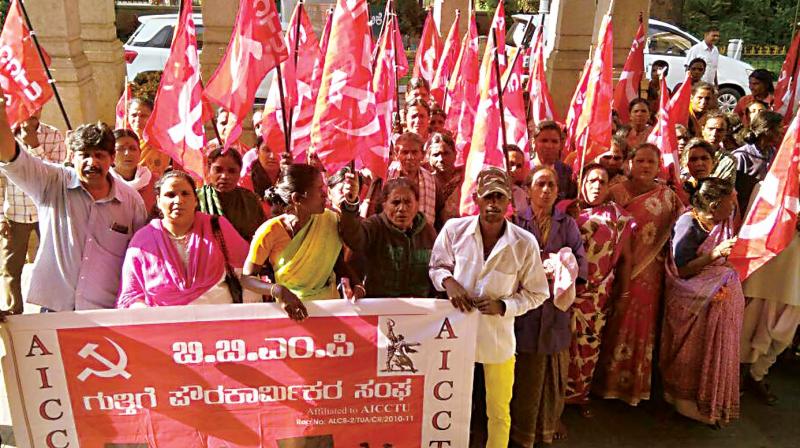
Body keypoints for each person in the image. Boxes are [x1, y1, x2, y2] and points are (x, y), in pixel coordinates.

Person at [429, 167, 548, 448]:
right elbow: (436, 266)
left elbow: (537, 293)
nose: (493, 204)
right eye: (487, 197)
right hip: (456, 339)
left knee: (498, 411)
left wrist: (504, 305)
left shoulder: (523, 243)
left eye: (499, 197)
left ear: (510, 202)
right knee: (453, 407)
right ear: (476, 199)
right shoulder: (454, 230)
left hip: (498, 340)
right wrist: (449, 283)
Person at [0, 95, 147, 311]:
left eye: (99, 155)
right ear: (72, 155)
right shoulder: (52, 183)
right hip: (55, 311)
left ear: (112, 157)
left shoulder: (131, 202)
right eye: (84, 155)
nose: (92, 162)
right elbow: (11, 157)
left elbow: (142, 259)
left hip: (108, 313)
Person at [594, 143, 682, 406]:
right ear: (630, 163)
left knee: (641, 328)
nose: (645, 166)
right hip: (615, 270)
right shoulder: (616, 192)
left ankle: (632, 387)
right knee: (612, 323)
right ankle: (601, 383)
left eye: (650, 162)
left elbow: (684, 228)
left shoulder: (668, 197)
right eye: (640, 160)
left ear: (658, 167)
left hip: (649, 275)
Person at [510, 166, 587, 446]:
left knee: (553, 371)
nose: (545, 191)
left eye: (551, 186)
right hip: (525, 310)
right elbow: (506, 261)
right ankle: (521, 431)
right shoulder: (517, 223)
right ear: (528, 189)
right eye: (540, 184)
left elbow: (580, 259)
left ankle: (548, 425)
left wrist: (563, 269)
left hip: (555, 309)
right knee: (524, 373)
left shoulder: (567, 224)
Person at [661, 177, 743, 426]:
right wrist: (715, 255)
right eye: (730, 202)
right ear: (716, 204)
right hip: (690, 304)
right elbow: (682, 271)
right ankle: (680, 401)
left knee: (706, 355)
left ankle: (705, 398)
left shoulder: (722, 221)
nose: (733, 207)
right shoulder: (689, 223)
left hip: (713, 309)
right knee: (688, 355)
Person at [117, 171, 259, 307]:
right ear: (159, 202)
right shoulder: (143, 241)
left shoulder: (217, 227)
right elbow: (131, 296)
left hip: (219, 326)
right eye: (170, 195)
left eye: (185, 193)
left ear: (195, 200)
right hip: (168, 328)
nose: (179, 200)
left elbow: (248, 274)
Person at [242, 164, 357, 320]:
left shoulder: (331, 220)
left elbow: (336, 261)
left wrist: (357, 284)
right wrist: (279, 291)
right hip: (290, 313)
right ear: (297, 198)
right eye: (319, 189)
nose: (325, 194)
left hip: (329, 311)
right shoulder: (269, 231)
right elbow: (247, 278)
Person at [565, 164, 634, 415]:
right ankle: (557, 399)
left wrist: (624, 293)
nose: (596, 186)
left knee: (589, 348)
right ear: (580, 182)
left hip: (597, 296)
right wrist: (569, 219)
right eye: (591, 180)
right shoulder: (565, 210)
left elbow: (626, 258)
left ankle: (580, 397)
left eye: (601, 182)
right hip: (567, 293)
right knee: (563, 347)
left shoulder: (617, 216)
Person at [0, 109, 66, 315]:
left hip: (47, 212)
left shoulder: (53, 135)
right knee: (11, 266)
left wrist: (35, 145)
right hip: (15, 214)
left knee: (55, 263)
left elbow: (58, 173)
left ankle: (54, 309)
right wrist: (0, 218)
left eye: (33, 106)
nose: (29, 111)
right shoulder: (6, 136)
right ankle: (14, 310)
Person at [739, 182, 800, 406]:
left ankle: (758, 373)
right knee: (749, 328)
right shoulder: (768, 185)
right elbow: (752, 226)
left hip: (795, 276)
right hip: (766, 271)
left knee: (783, 334)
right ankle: (737, 379)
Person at [339, 178, 436, 298]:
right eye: (395, 202)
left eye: (407, 202)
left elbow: (437, 269)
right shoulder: (374, 226)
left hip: (422, 310)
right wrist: (350, 204)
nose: (402, 208)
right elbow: (354, 238)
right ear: (384, 205)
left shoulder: (428, 231)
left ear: (417, 205)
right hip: (382, 309)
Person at [197, 146, 267, 241]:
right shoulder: (196, 199)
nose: (225, 176)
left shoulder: (250, 200)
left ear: (239, 173)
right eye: (218, 170)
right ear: (209, 171)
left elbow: (262, 236)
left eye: (232, 171)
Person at [732, 111, 783, 210]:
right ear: (767, 130)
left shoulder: (774, 153)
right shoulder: (742, 156)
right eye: (779, 127)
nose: (782, 131)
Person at [389, 132, 436, 226]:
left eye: (414, 152)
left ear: (422, 155)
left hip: (421, 237)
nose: (410, 157)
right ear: (396, 154)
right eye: (405, 152)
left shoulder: (431, 180)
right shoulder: (387, 176)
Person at [111, 129, 156, 213]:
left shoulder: (155, 182)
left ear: (140, 152)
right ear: (111, 154)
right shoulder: (104, 182)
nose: (127, 153)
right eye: (120, 149)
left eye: (132, 148)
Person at [531, 120, 577, 200]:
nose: (549, 146)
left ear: (560, 145)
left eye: (554, 141)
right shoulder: (524, 169)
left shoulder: (567, 172)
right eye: (544, 141)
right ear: (533, 143)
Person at [427, 132, 463, 229]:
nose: (441, 159)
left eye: (446, 153)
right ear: (428, 157)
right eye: (436, 155)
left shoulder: (463, 180)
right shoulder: (427, 182)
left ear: (455, 154)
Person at [127, 97, 170, 178]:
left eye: (143, 116)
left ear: (152, 117)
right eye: (134, 115)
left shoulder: (161, 143)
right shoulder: (122, 141)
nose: (138, 120)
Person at [701, 111, 737, 184]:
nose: (714, 134)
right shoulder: (689, 153)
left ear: (726, 133)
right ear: (703, 129)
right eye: (711, 129)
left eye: (720, 130)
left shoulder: (729, 160)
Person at [506, 144, 530, 212]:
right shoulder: (485, 191)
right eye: (511, 164)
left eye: (518, 166)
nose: (514, 169)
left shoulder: (522, 195)